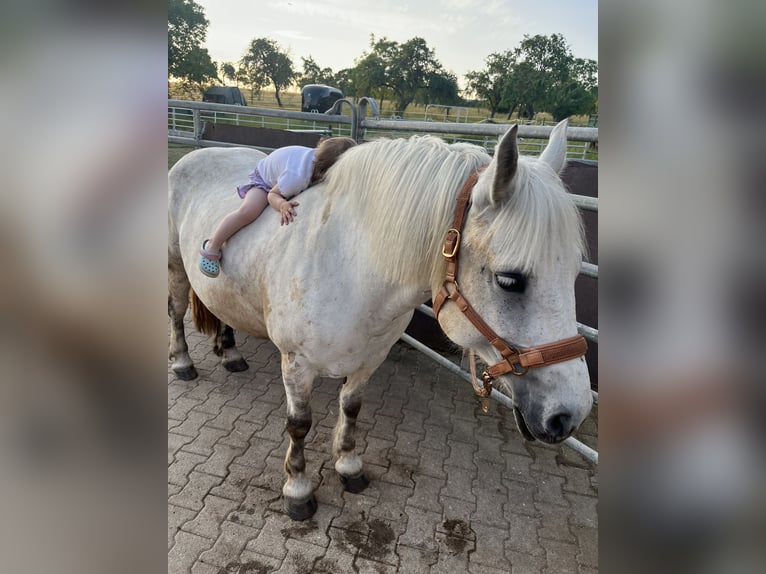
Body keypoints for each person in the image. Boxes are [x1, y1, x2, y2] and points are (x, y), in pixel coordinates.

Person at [199, 137, 357, 277]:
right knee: (248, 212)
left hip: (283, 167)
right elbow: (272, 195)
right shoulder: (296, 178)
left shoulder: (320, 158)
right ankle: (212, 246)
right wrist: (282, 204)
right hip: (266, 181)